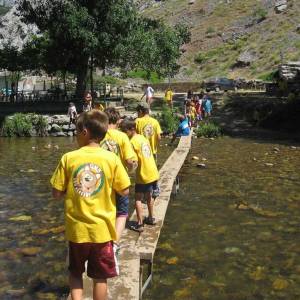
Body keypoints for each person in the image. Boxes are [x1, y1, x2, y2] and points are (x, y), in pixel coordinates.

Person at [50, 110, 130, 300]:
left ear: (84, 131)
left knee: (76, 273)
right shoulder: (111, 159)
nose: (76, 135)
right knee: (100, 277)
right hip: (102, 231)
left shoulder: (68, 158)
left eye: (76, 131)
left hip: (77, 231)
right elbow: (125, 190)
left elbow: (56, 194)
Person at [100, 107, 137, 242]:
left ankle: (102, 239)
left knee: (105, 211)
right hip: (120, 181)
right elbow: (129, 161)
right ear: (118, 120)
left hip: (102, 181)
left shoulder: (99, 134)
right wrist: (134, 166)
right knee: (121, 213)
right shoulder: (122, 136)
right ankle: (114, 243)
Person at [120, 119, 159, 233]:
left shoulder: (131, 142)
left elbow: (133, 161)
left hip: (143, 174)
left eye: (124, 131)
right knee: (149, 196)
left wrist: (126, 171)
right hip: (153, 172)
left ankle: (140, 223)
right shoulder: (142, 138)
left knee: (137, 199)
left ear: (132, 129)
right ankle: (151, 218)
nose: (123, 133)